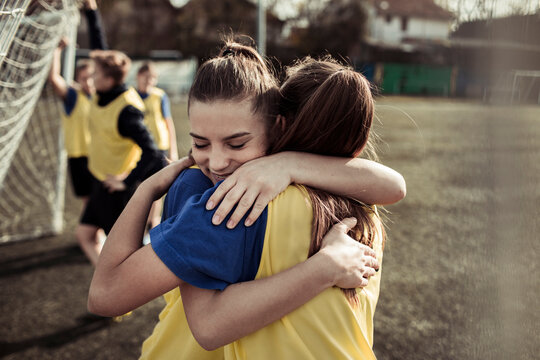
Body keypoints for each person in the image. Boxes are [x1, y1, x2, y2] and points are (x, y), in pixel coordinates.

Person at [88, 41, 405, 359]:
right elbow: (395, 186)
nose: (216, 163)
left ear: (279, 127)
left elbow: (107, 296)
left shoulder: (228, 202)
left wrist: (145, 190)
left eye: (237, 144)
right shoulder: (366, 206)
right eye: (200, 142)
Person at [77, 49, 167, 266]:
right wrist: (91, 17)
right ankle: (108, 282)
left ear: (109, 79)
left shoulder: (127, 110)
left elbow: (153, 152)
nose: (91, 78)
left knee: (122, 256)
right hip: (100, 181)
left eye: (95, 74)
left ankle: (121, 288)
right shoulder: (104, 92)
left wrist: (125, 182)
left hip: (114, 192)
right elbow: (103, 50)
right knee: (85, 234)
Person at [48, 0, 108, 201]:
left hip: (99, 156)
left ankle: (100, 234)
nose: (88, 81)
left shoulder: (101, 97)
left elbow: (102, 52)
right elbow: (55, 79)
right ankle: (95, 233)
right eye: (83, 78)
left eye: (91, 77)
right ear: (78, 79)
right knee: (87, 203)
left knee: (100, 202)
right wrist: (57, 50)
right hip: (78, 157)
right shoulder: (73, 96)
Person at [135, 61, 178, 230]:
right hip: (139, 151)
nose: (149, 82)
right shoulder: (131, 96)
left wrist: (172, 150)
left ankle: (153, 223)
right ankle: (140, 221)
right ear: (138, 76)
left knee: (157, 188)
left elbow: (169, 123)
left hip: (159, 148)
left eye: (153, 78)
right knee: (139, 186)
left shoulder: (160, 96)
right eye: (146, 77)